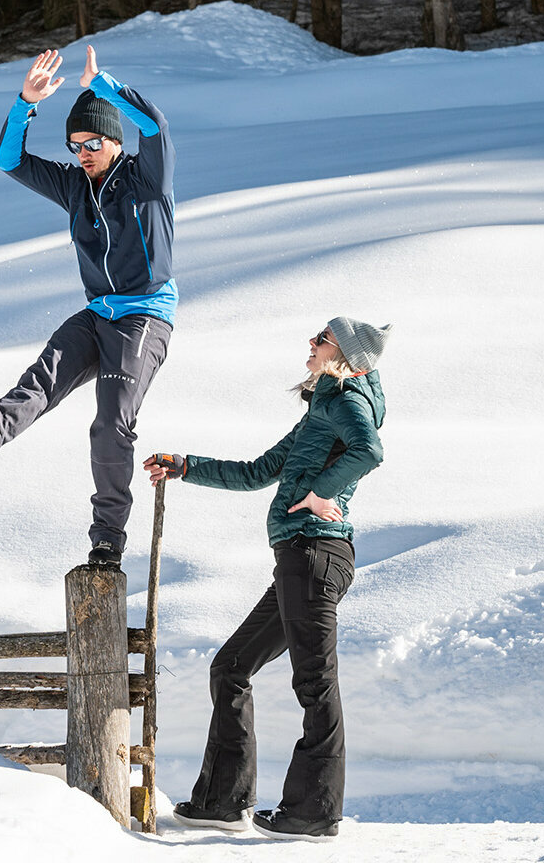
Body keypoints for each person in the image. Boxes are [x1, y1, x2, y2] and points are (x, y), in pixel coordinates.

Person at [0, 45, 177, 569]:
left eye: (93, 142)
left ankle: (108, 538)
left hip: (144, 316)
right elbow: (8, 159)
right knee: (37, 385)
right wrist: (24, 104)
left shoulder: (146, 179)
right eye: (74, 144)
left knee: (110, 424)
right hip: (96, 314)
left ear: (114, 141)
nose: (82, 152)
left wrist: (102, 86)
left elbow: (157, 125)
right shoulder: (74, 186)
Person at [146, 317, 391, 841]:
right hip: (299, 560)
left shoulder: (346, 401)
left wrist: (323, 492)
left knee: (314, 683)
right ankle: (222, 802)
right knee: (230, 666)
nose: (311, 342)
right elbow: (258, 471)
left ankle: (312, 813)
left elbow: (369, 451)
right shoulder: (320, 410)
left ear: (344, 354)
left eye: (322, 337)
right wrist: (187, 466)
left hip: (313, 554)